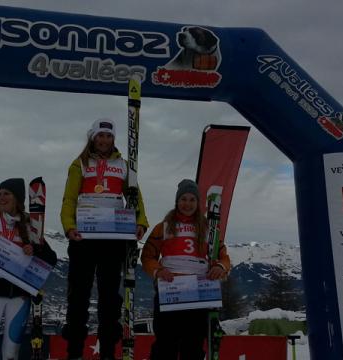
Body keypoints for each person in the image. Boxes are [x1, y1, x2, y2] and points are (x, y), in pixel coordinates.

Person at [60, 118, 149, 360]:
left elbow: (135, 196)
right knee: (78, 295)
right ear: (92, 137)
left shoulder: (124, 165)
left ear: (114, 139)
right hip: (84, 237)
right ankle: (74, 352)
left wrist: (140, 222)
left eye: (108, 136)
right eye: (100, 136)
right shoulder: (79, 164)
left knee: (110, 299)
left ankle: (108, 352)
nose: (104, 140)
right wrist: (69, 227)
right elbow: (69, 199)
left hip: (113, 237)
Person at [0, 178, 57, 360]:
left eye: (6, 193)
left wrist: (35, 250)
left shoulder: (31, 227)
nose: (1, 197)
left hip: (19, 297)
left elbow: (51, 259)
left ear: (17, 198)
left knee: (11, 353)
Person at [140, 179, 231, 360]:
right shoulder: (163, 227)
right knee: (165, 345)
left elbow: (223, 257)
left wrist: (220, 267)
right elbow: (147, 256)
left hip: (197, 295)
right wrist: (158, 271)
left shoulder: (208, 229)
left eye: (192, 200)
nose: (187, 204)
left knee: (193, 345)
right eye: (183, 199)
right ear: (176, 202)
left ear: (198, 203)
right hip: (169, 291)